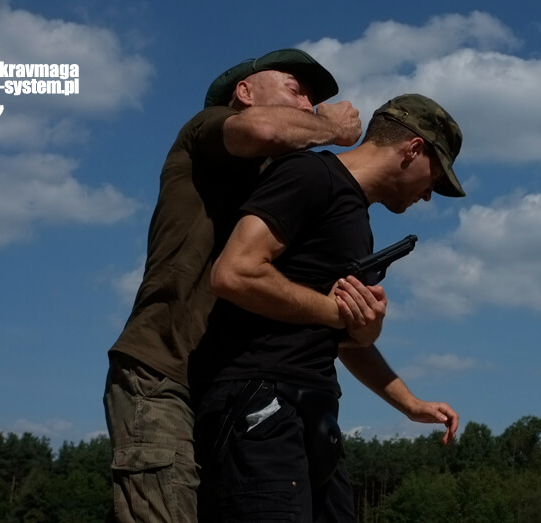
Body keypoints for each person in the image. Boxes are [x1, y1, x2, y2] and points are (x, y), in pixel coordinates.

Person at [104, 48, 362, 523]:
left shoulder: (276, 181)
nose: (307, 104)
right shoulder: (205, 129)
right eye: (294, 89)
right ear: (245, 93)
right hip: (163, 373)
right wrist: (334, 131)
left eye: (312, 99)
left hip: (225, 390)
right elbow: (264, 130)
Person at [195, 93, 464, 522]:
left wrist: (409, 403)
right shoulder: (310, 174)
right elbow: (235, 272)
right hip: (261, 403)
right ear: (413, 149)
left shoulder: (356, 217)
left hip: (314, 416)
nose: (430, 195)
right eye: (437, 176)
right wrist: (339, 316)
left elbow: (342, 336)